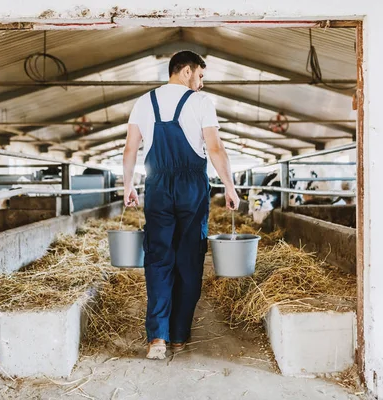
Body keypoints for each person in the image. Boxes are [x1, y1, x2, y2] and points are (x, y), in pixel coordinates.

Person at [123, 50, 240, 360]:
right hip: (191, 187)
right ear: (187, 71)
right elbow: (214, 148)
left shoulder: (144, 102)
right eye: (200, 76)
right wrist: (229, 186)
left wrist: (127, 187)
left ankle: (157, 339)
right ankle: (178, 337)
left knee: (159, 259)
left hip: (158, 186)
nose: (200, 84)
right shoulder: (201, 103)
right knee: (188, 260)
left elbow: (130, 149)